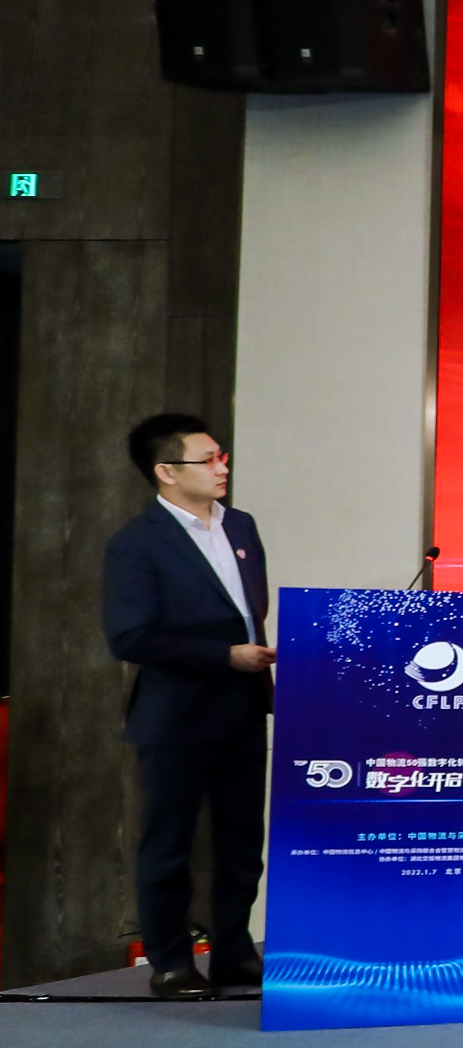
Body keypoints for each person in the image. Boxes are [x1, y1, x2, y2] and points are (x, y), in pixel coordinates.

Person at [100, 413, 273, 999]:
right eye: (208, 459)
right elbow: (130, 637)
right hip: (176, 714)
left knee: (241, 842)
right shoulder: (136, 544)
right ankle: (171, 961)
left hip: (243, 708)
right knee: (169, 844)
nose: (222, 467)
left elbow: (247, 612)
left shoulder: (240, 526)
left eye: (222, 456)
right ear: (167, 472)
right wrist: (224, 656)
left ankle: (233, 952)